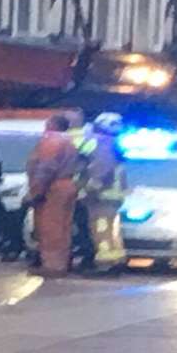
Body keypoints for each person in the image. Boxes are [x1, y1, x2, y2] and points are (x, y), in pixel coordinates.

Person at [25, 114, 79, 275]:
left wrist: (37, 190)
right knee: (64, 227)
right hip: (67, 185)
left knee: (50, 227)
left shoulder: (51, 141)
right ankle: (62, 262)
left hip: (53, 188)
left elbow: (45, 168)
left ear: (53, 125)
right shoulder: (69, 141)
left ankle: (52, 265)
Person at [77, 112, 128, 272]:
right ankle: (116, 259)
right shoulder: (114, 143)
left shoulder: (101, 142)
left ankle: (105, 263)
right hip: (114, 196)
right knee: (112, 229)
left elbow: (100, 167)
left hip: (101, 196)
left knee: (101, 229)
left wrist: (91, 187)